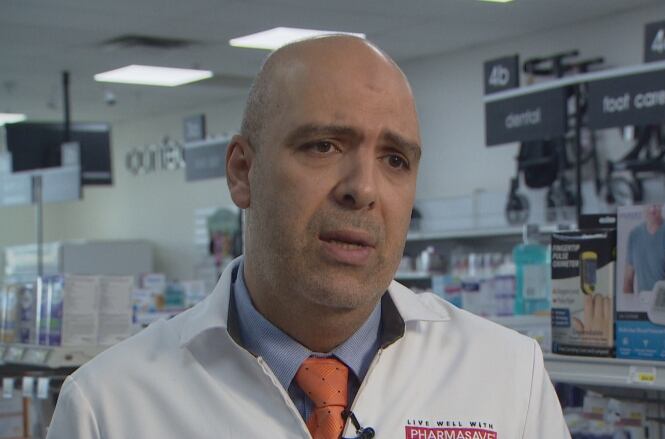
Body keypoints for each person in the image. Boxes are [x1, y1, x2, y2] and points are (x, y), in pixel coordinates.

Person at [47, 35, 570, 438]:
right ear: (242, 172)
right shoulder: (110, 405)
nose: (363, 189)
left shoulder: (507, 376)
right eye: (323, 146)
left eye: (395, 159)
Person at [623, 204, 665, 294]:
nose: (652, 209)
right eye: (649, 205)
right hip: (641, 302)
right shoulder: (634, 234)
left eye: (656, 205)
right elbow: (628, 280)